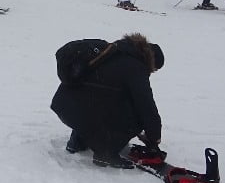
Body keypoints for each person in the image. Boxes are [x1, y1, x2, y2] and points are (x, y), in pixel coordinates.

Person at [51, 33, 165, 168]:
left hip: (65, 105)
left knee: (99, 99)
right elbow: (146, 106)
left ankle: (77, 141)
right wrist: (154, 136)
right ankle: (106, 154)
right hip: (81, 109)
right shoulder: (136, 67)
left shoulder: (113, 51)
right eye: (155, 69)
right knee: (136, 115)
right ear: (151, 61)